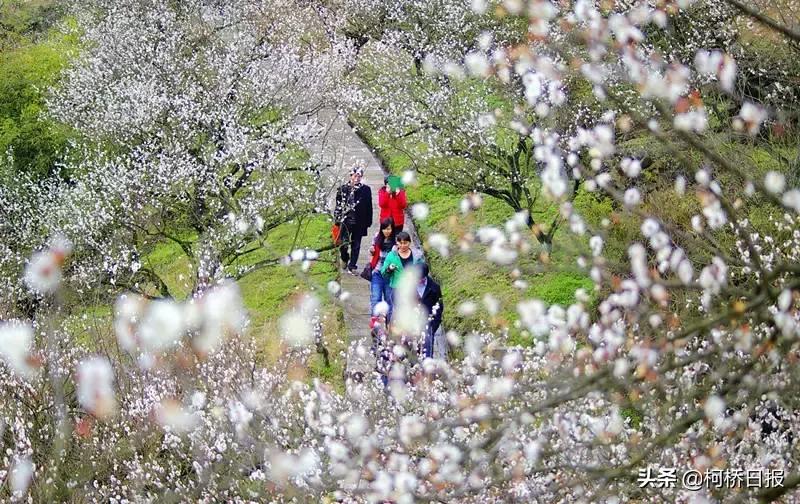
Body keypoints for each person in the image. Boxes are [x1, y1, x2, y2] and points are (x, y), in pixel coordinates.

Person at [334, 166, 372, 273]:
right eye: (355, 176)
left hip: (359, 222)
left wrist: (368, 221)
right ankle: (345, 257)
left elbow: (369, 206)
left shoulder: (365, 190)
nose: (357, 178)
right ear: (350, 176)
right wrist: (337, 219)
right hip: (346, 222)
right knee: (343, 244)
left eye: (359, 176)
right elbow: (338, 206)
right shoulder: (343, 189)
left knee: (356, 245)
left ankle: (352, 265)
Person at [369, 218, 396, 320]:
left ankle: (389, 323)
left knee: (389, 300)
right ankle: (375, 322)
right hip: (377, 272)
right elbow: (372, 250)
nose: (387, 231)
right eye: (384, 229)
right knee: (376, 298)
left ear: (392, 229)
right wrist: (372, 250)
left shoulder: (396, 242)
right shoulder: (377, 237)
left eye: (389, 229)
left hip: (389, 275)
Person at [415, 262, 443, 359]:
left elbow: (439, 307)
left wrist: (433, 326)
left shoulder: (434, 288)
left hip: (428, 324)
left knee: (427, 355)